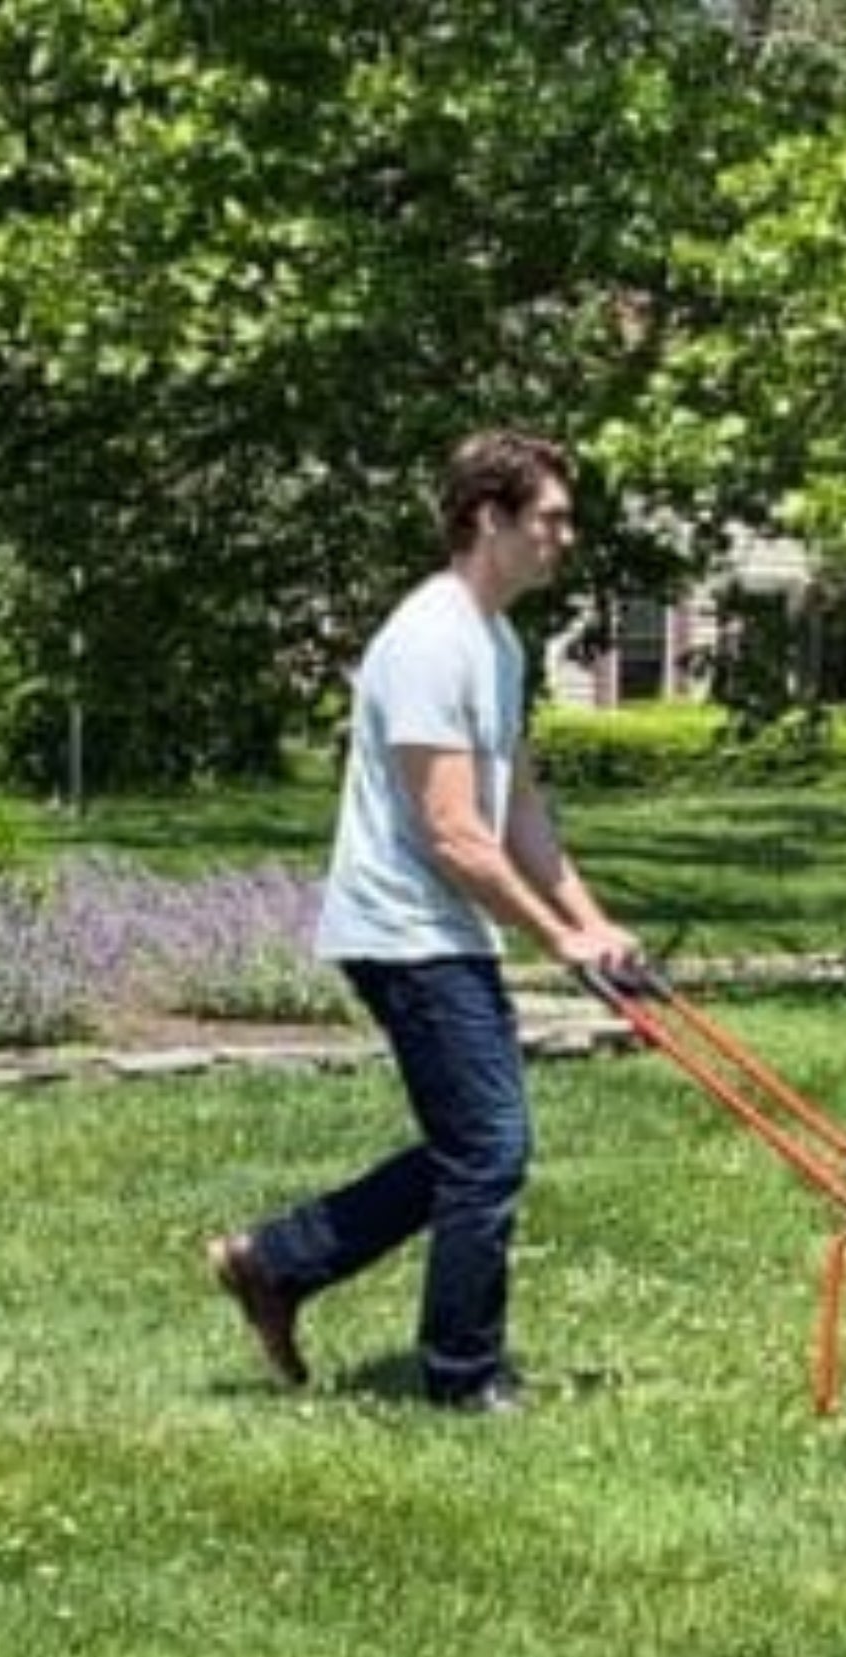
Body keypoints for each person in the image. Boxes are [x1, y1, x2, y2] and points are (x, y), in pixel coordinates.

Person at [207, 430, 638, 1414]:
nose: (564, 537)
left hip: (439, 927)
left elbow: (516, 807)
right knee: (488, 1147)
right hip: (402, 928)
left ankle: (271, 1262)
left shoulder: (497, 640)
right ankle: (462, 1375)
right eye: (549, 518)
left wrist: (592, 922)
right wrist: (552, 938)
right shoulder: (427, 637)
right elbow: (452, 832)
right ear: (487, 518)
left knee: (470, 1145)